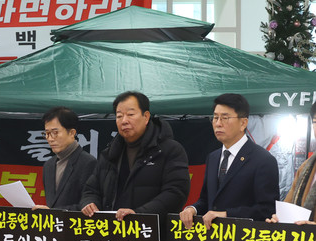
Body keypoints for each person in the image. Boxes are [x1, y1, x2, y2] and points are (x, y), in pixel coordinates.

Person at [80, 91, 190, 221]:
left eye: (130, 115)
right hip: (111, 229)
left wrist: (139, 214)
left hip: (151, 229)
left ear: (146, 117)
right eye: (119, 116)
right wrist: (89, 202)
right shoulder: (110, 154)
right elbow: (91, 189)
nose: (124, 121)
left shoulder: (170, 150)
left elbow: (176, 192)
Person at [180, 93, 279, 229]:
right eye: (215, 118)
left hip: (243, 237)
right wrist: (192, 209)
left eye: (225, 118)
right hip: (213, 236)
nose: (218, 124)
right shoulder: (213, 158)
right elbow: (206, 200)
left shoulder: (263, 160)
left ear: (243, 123)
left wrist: (226, 214)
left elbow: (267, 209)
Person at [32, 106, 96, 210]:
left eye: (55, 133)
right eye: (47, 133)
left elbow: (88, 207)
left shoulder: (88, 163)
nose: (50, 139)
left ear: (72, 133)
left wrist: (53, 212)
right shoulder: (48, 165)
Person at [267, 102, 316, 225]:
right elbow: (290, 206)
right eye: (315, 121)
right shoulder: (306, 166)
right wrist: (280, 219)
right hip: (302, 236)